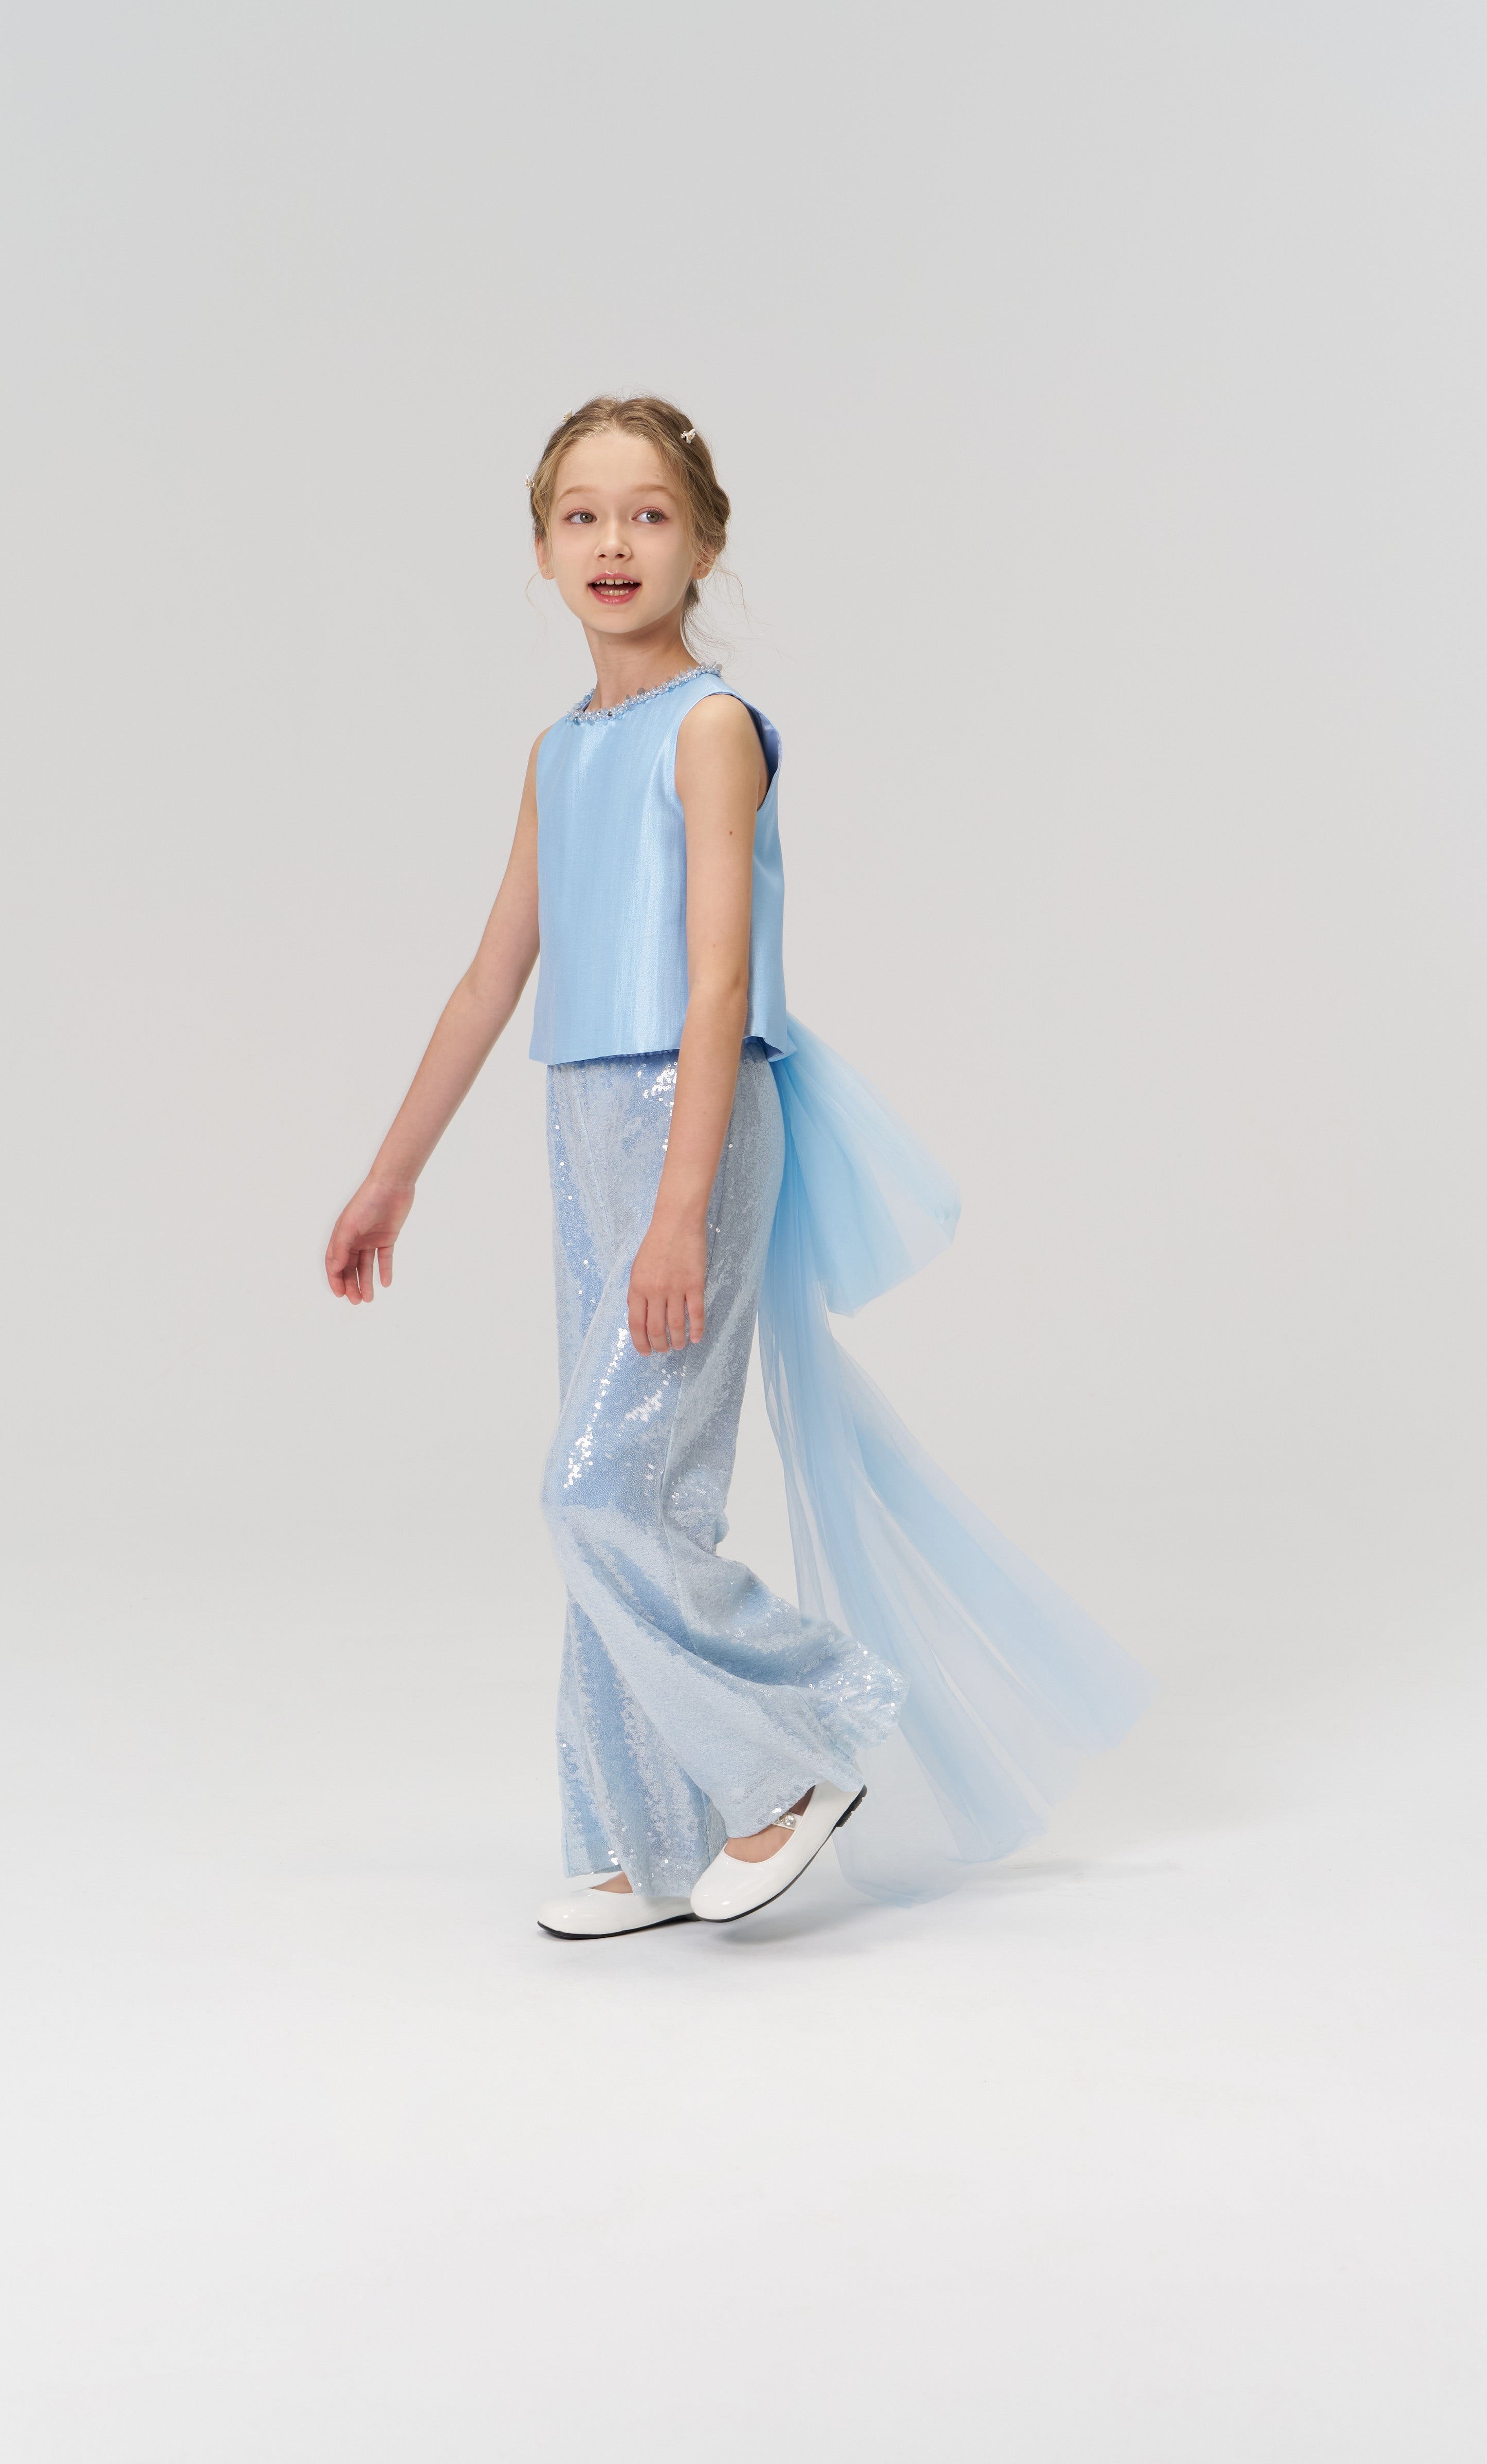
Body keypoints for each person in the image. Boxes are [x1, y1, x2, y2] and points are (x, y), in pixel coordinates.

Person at [325, 395, 1149, 1938]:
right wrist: (394, 1174)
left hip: (690, 1120)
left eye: (648, 513)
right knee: (642, 1491)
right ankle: (641, 1833)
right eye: (582, 515)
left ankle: (801, 1747)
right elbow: (492, 978)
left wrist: (681, 1210)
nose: (614, 542)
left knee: (594, 1490)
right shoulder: (562, 751)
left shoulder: (710, 730)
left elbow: (717, 983)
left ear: (703, 543)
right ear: (541, 549)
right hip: (584, 1119)